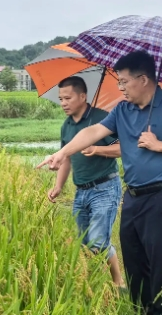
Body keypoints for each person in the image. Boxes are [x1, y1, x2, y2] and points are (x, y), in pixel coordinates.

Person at [37, 51, 162, 315]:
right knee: (134, 260)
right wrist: (63, 152)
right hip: (133, 196)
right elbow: (94, 131)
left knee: (161, 263)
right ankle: (139, 309)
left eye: (124, 82)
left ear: (144, 80)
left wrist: (159, 145)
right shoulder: (122, 110)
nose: (121, 87)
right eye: (119, 82)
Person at [47, 76, 125, 288]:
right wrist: (58, 186)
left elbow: (122, 149)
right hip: (81, 191)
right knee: (84, 242)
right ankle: (97, 284)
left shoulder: (103, 119)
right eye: (60, 99)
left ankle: (117, 283)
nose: (63, 103)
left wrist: (97, 149)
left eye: (67, 98)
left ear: (82, 96)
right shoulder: (67, 126)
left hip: (105, 188)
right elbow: (66, 158)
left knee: (97, 241)